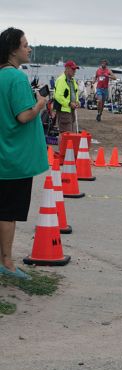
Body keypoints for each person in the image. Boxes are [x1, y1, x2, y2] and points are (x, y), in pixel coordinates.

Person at [0, 27, 49, 280]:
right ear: (13, 49)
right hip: (14, 160)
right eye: (25, 44)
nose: (28, 48)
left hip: (2, 155)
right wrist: (40, 103)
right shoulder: (17, 78)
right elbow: (23, 116)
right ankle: (7, 263)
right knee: (8, 213)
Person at [53, 60, 80, 141]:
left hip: (70, 110)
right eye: (73, 69)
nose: (75, 71)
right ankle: (64, 152)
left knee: (70, 133)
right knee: (65, 134)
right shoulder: (61, 80)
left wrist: (77, 101)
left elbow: (75, 93)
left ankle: (67, 152)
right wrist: (69, 103)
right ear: (67, 68)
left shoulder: (72, 80)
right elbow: (58, 96)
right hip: (64, 110)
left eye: (75, 69)